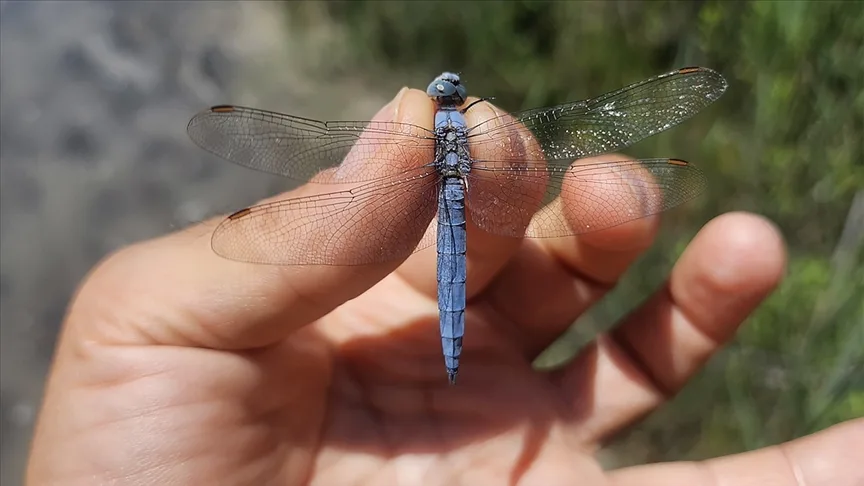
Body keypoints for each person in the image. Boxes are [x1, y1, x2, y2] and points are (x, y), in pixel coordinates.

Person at [26, 89, 862, 485]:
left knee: (596, 195)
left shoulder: (439, 140)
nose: (448, 101)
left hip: (460, 212)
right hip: (462, 215)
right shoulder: (455, 139)